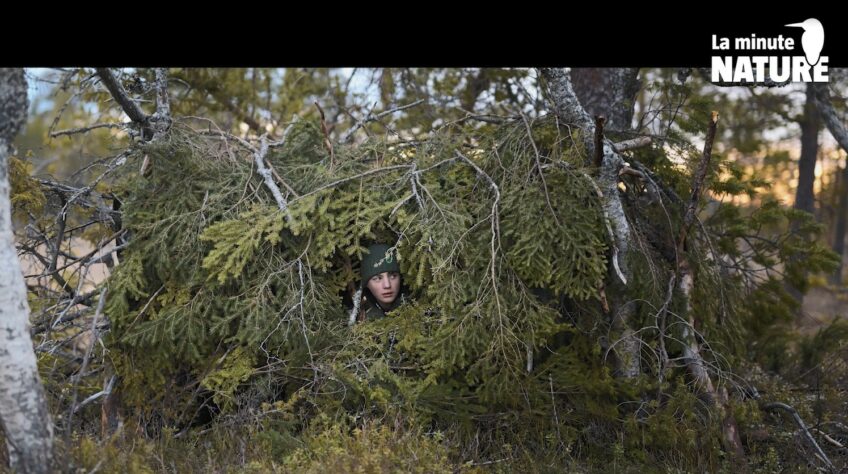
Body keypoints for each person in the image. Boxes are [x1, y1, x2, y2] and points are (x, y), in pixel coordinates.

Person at [351, 243, 405, 323]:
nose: (387, 285)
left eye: (393, 276)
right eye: (377, 278)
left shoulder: (416, 307)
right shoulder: (357, 317)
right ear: (367, 284)